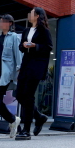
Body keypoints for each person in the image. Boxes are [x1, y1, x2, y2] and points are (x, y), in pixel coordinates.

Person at [15, 7, 53, 140]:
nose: (28, 14)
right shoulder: (26, 30)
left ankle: (26, 130)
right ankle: (39, 117)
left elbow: (48, 47)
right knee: (19, 95)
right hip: (25, 64)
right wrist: (24, 45)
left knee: (28, 96)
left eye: (31, 13)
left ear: (37, 16)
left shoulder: (44, 31)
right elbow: (20, 47)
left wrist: (35, 46)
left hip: (36, 66)